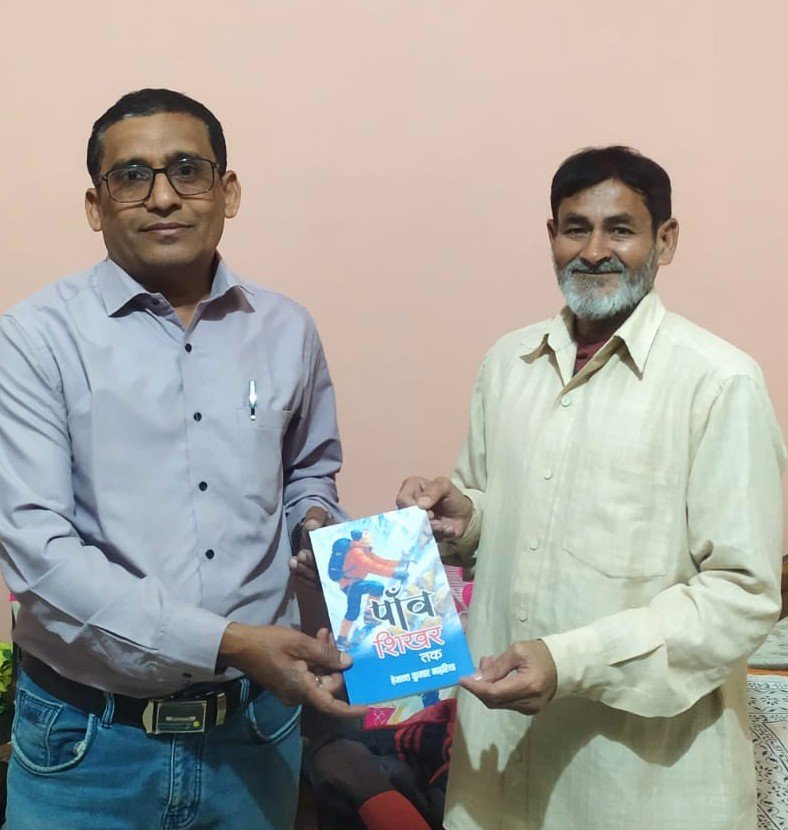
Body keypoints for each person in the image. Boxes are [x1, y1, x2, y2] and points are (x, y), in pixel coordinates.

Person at [0, 88, 365, 830]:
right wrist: (230, 643)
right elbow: (37, 552)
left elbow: (307, 475)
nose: (163, 196)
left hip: (254, 735)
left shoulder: (287, 329)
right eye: (132, 176)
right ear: (96, 205)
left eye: (187, 170)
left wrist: (317, 529)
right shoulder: (33, 340)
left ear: (227, 192)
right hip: (88, 747)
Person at [397, 146, 786, 830]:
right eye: (576, 228)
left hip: (639, 786)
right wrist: (465, 517)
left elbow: (743, 592)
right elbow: (500, 518)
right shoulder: (507, 363)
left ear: (665, 241)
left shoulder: (718, 382)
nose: (595, 250)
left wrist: (569, 660)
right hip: (497, 778)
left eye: (621, 229)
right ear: (551, 236)